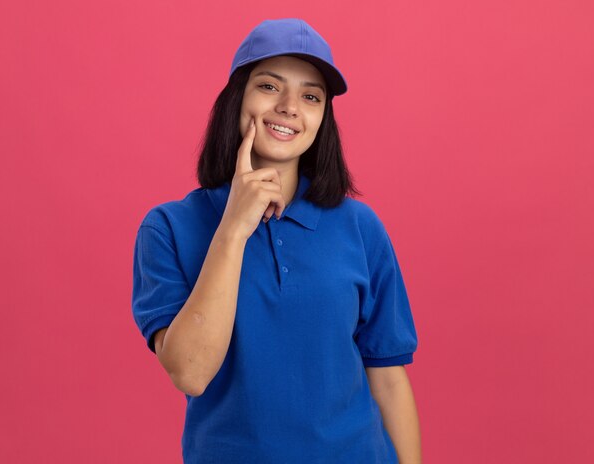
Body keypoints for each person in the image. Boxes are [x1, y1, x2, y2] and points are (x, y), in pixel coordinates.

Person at [132, 18, 421, 464]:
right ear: (237, 100)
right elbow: (190, 372)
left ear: (321, 118)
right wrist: (233, 228)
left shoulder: (360, 227)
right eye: (269, 86)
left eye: (310, 96)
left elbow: (387, 377)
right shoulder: (169, 228)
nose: (290, 107)